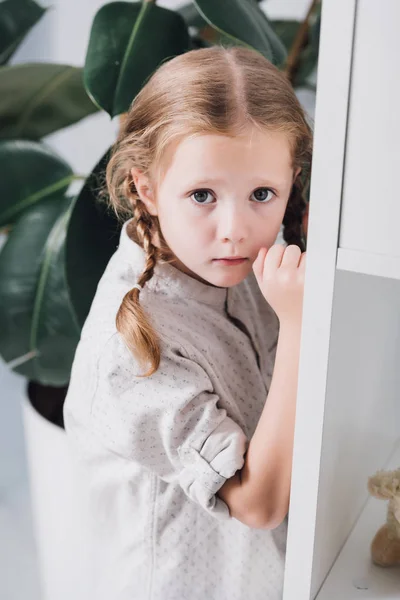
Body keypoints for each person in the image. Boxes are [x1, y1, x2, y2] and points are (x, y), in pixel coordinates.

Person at [63, 45, 311, 600]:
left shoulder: (239, 263)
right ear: (145, 189)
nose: (235, 229)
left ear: (291, 183)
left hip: (263, 576)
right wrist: (298, 327)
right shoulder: (129, 349)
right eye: (202, 195)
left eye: (261, 194)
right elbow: (259, 504)